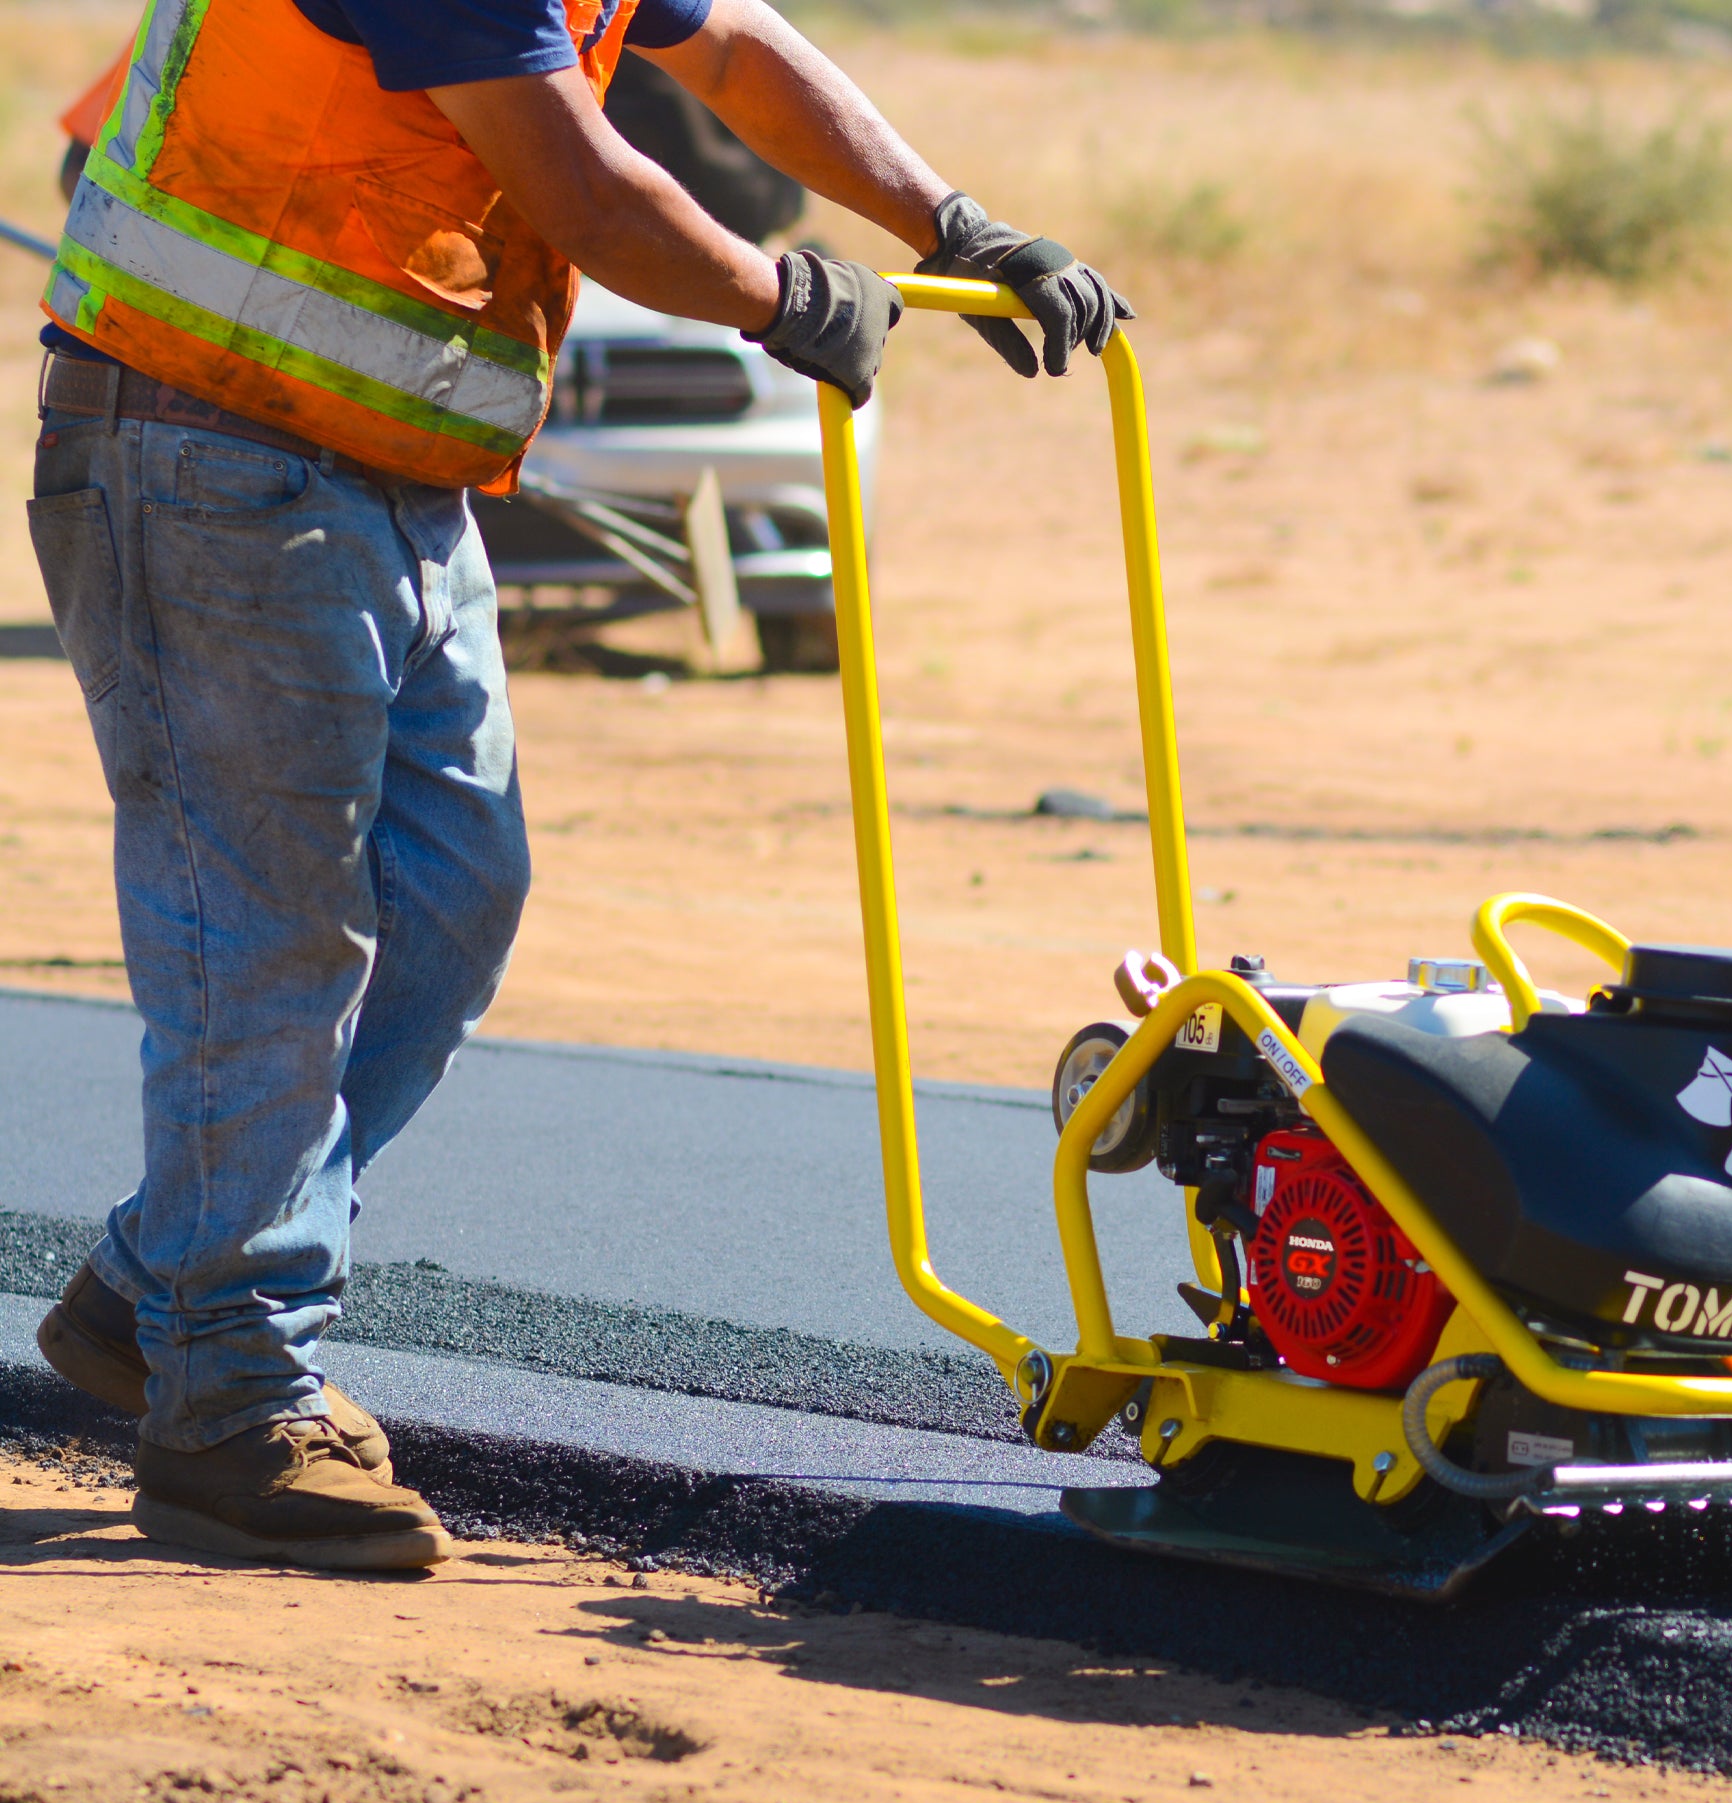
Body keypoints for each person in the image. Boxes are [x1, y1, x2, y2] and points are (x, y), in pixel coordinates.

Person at [29, 0, 1128, 1573]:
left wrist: (947, 220)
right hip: (206, 452)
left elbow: (731, 46)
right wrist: (781, 296)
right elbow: (588, 192)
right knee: (269, 936)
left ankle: (164, 1294)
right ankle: (234, 1405)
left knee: (449, 901)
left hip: (391, 478)